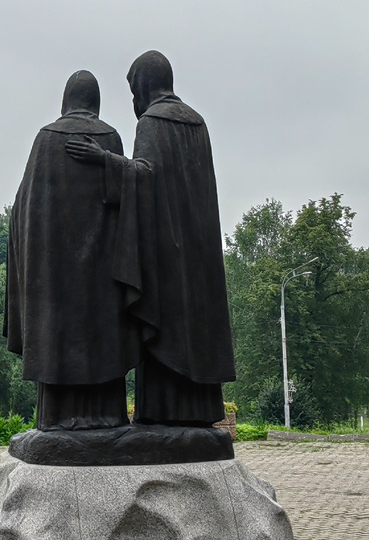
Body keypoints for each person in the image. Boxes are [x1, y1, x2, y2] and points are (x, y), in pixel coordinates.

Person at [66, 51, 236, 427]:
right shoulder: (198, 123)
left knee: (167, 326)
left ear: (143, 85)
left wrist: (103, 158)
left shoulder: (153, 123)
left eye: (132, 91)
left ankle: (163, 416)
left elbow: (144, 176)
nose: (133, 102)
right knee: (196, 326)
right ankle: (201, 412)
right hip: (199, 248)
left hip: (166, 252)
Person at [5, 70, 136, 430]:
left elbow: (24, 208)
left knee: (56, 335)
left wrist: (32, 258)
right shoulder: (110, 136)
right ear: (95, 103)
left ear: (66, 101)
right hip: (102, 270)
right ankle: (106, 417)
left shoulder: (45, 140)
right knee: (101, 333)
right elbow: (126, 199)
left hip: (54, 273)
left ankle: (57, 419)